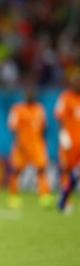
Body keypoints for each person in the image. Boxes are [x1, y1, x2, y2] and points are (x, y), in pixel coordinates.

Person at [6, 86, 53, 209]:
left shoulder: (40, 109)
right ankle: (14, 197)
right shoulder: (17, 109)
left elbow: (44, 127)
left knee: (41, 170)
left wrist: (43, 141)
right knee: (16, 171)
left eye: (32, 93)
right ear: (25, 95)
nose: (30, 96)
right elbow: (12, 127)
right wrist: (19, 142)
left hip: (37, 145)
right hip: (22, 145)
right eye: (28, 93)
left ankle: (44, 197)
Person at [55, 71, 80, 213]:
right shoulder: (65, 98)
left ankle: (65, 198)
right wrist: (63, 134)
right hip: (69, 143)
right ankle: (64, 200)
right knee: (66, 170)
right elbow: (60, 117)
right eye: (76, 82)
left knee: (76, 173)